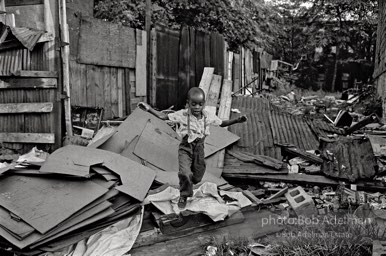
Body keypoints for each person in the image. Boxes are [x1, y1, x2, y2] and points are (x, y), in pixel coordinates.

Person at [138, 87, 247, 209]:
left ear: (204, 104)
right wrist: (149, 109)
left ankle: (191, 181)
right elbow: (163, 117)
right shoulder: (182, 115)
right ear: (188, 103)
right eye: (193, 104)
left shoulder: (208, 117)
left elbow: (222, 123)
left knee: (197, 176)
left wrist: (237, 120)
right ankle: (184, 195)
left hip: (199, 149)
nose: (196, 107)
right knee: (185, 173)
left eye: (200, 104)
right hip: (185, 149)